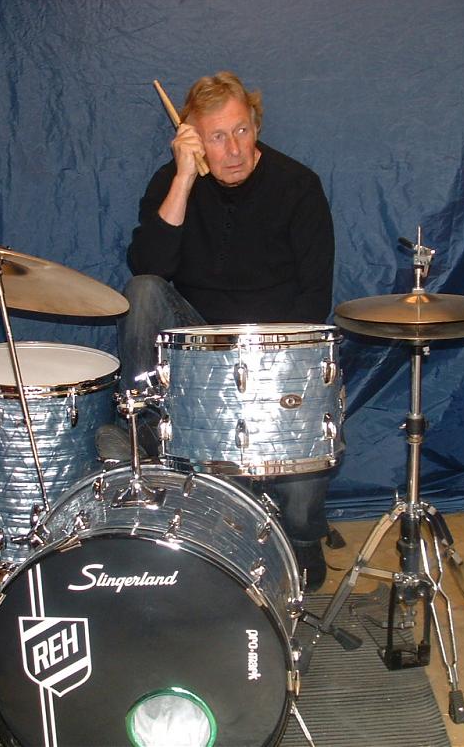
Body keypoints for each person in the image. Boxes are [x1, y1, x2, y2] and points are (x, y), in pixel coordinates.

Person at [105, 71, 336, 591]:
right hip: (196, 346)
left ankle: (303, 534)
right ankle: (143, 428)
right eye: (216, 137)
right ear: (192, 139)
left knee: (311, 400)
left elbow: (314, 300)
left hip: (275, 350)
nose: (233, 150)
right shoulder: (172, 181)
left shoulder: (298, 187)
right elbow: (149, 265)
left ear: (256, 125)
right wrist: (184, 179)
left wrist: (276, 369)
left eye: (241, 131)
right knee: (143, 290)